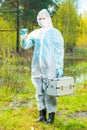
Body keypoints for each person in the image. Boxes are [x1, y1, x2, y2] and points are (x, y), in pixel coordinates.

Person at [20, 9, 64, 124]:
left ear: (48, 18)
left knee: (50, 92)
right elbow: (26, 45)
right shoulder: (36, 33)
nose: (41, 20)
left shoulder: (55, 32)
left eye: (43, 18)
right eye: (39, 18)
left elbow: (59, 51)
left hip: (50, 67)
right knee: (39, 91)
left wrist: (59, 66)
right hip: (37, 67)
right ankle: (42, 115)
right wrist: (23, 37)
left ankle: (51, 116)